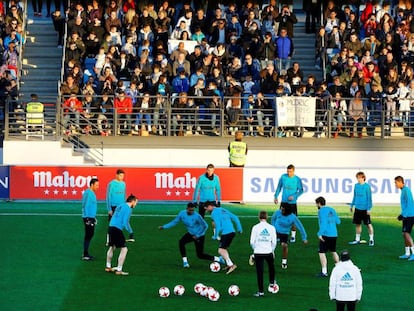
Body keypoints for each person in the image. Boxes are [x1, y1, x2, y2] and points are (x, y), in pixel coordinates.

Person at [158, 202, 225, 268]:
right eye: (190, 210)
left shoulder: (197, 216)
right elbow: (174, 222)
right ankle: (185, 262)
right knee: (181, 242)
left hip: (200, 235)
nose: (192, 211)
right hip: (191, 234)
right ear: (187, 209)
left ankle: (218, 259)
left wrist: (198, 235)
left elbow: (205, 226)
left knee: (200, 255)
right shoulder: (182, 214)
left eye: (193, 210)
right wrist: (164, 227)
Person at [205, 201, 242, 274]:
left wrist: (215, 236)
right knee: (223, 249)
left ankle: (231, 265)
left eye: (206, 208)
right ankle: (229, 264)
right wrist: (239, 228)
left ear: (210, 206)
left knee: (220, 250)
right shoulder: (223, 209)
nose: (206, 210)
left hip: (226, 233)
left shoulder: (214, 213)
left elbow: (218, 225)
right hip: (232, 232)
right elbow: (235, 217)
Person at [105, 194, 138, 276]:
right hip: (117, 229)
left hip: (111, 227)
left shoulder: (120, 206)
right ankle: (119, 270)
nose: (136, 204)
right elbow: (125, 222)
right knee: (124, 249)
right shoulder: (128, 209)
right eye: (136, 202)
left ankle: (108, 266)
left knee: (112, 247)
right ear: (132, 201)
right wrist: (131, 232)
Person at [250, 210, 277, 297]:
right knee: (271, 267)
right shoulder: (272, 228)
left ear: (259, 217)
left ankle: (261, 291)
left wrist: (255, 249)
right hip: (268, 251)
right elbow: (274, 242)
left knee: (260, 272)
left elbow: (251, 242)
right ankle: (272, 282)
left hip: (258, 252)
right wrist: (272, 250)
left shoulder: (255, 227)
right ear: (267, 217)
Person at [273, 164, 304, 243]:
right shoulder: (283, 177)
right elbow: (279, 187)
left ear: (293, 171)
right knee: (279, 218)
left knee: (293, 219)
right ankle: (278, 235)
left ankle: (293, 236)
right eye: (287, 171)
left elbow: (301, 190)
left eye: (290, 171)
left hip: (292, 203)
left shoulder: (297, 179)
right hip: (284, 202)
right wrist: (276, 196)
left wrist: (294, 196)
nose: (289, 173)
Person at [316, 196, 340, 277]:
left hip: (326, 234)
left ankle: (324, 271)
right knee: (333, 251)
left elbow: (324, 223)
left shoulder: (321, 211)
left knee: (321, 252)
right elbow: (338, 221)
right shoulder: (331, 209)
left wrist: (319, 233)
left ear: (319, 203)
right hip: (334, 234)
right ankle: (338, 269)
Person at [349, 172, 375, 246]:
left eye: (360, 177)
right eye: (357, 177)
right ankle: (357, 239)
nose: (358, 179)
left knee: (368, 224)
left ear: (363, 178)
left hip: (365, 208)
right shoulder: (356, 186)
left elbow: (369, 198)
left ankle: (371, 239)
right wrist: (352, 205)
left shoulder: (367, 186)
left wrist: (369, 208)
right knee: (357, 224)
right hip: (357, 208)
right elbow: (354, 196)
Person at [394, 176, 414, 261]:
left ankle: (413, 253)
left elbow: (410, 204)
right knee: (404, 234)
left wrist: (404, 215)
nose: (395, 184)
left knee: (406, 233)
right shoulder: (403, 190)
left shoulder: (406, 190)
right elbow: (405, 205)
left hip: (410, 215)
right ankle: (407, 253)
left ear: (400, 182)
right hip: (406, 215)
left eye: (395, 183)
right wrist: (401, 214)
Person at [106, 169, 127, 245]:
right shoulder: (111, 184)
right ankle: (109, 240)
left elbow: (124, 195)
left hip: (121, 207)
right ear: (117, 175)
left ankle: (117, 239)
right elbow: (108, 197)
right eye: (121, 175)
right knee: (111, 224)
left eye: (123, 176)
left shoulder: (123, 184)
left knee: (120, 224)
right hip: (113, 207)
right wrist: (109, 209)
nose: (122, 177)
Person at [81, 178, 99, 260]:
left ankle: (86, 253)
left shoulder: (90, 193)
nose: (97, 187)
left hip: (90, 217)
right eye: (96, 185)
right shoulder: (89, 193)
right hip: (88, 218)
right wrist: (88, 218)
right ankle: (85, 254)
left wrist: (93, 217)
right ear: (92, 185)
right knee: (89, 235)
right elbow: (86, 206)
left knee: (90, 234)